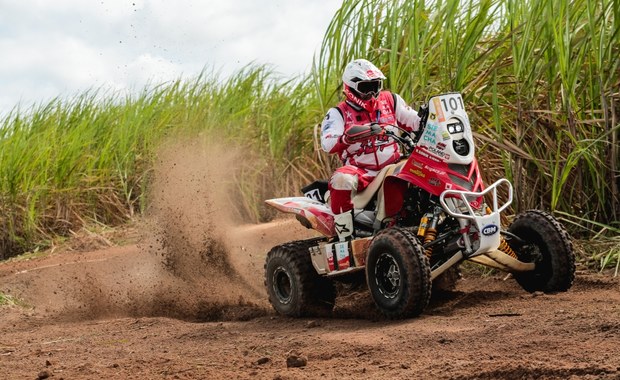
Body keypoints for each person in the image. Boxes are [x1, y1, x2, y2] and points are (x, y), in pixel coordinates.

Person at [320, 58, 421, 241]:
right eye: (366, 88)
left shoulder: (391, 100)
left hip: (393, 164)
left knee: (423, 165)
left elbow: (414, 121)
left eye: (376, 85)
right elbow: (328, 144)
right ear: (351, 88)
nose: (373, 92)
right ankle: (345, 239)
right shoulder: (338, 113)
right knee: (341, 179)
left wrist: (432, 117)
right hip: (361, 170)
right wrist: (348, 137)